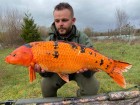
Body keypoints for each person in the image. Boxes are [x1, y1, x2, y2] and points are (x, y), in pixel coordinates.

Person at [34, 2, 99, 97]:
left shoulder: (82, 38)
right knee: (45, 86)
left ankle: (80, 99)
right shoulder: (49, 41)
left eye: (64, 20)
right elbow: (47, 72)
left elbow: (94, 64)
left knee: (92, 88)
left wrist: (87, 70)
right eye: (57, 21)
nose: (60, 24)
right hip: (59, 70)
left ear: (73, 20)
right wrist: (42, 71)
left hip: (78, 70)